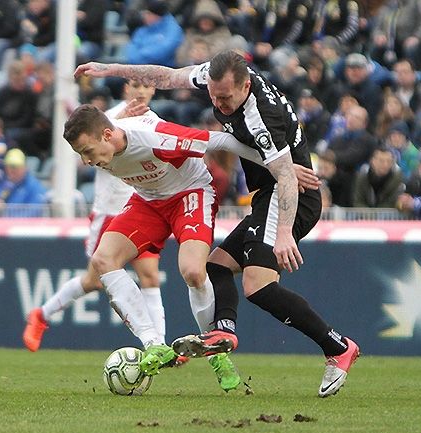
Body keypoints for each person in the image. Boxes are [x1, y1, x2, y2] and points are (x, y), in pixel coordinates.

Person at [75, 50, 360, 398]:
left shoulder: (261, 117)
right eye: (213, 94)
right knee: (216, 267)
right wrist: (110, 68)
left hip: (287, 195)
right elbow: (166, 76)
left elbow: (280, 173)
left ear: (244, 85)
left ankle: (338, 347)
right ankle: (218, 335)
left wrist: (285, 232)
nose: (218, 103)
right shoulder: (216, 77)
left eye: (225, 97)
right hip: (265, 192)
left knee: (257, 285)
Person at [49, 104, 280, 391]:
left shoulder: (155, 137)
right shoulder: (108, 136)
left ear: (106, 135)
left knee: (193, 272)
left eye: (87, 151)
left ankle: (216, 356)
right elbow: (108, 119)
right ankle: (154, 344)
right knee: (103, 260)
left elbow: (218, 140)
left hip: (190, 193)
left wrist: (280, 165)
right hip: (148, 201)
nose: (86, 161)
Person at [23, 81, 171, 366]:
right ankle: (41, 314)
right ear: (126, 89)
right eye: (136, 88)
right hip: (108, 213)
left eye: (147, 89)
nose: (141, 94)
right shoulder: (109, 121)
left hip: (139, 208)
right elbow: (100, 131)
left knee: (150, 274)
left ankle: (160, 347)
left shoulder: (146, 119)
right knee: (93, 281)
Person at [0, 147, 47, 217]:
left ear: (25, 167)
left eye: (16, 166)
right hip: (1, 227)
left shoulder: (34, 186)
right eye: (9, 166)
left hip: (25, 228)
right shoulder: (0, 183)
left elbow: (35, 211)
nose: (12, 170)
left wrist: (6, 215)